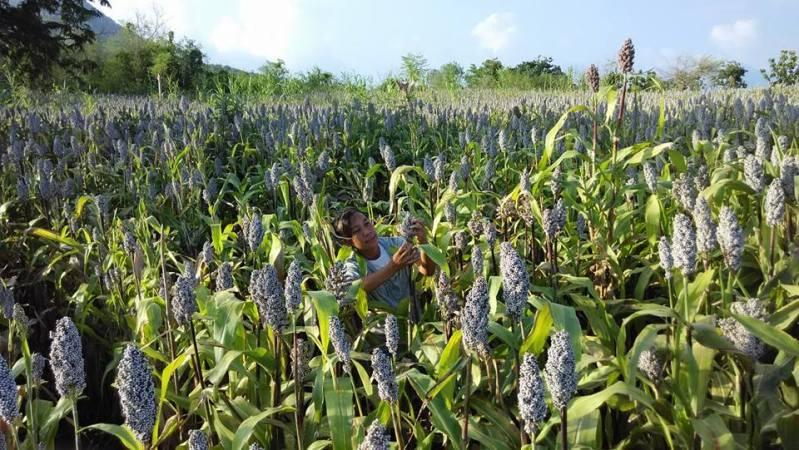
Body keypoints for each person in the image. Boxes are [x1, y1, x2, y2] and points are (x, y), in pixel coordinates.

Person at [333, 208, 437, 310]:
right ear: (348, 242)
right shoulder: (353, 264)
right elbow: (353, 290)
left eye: (366, 223)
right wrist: (393, 266)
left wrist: (423, 242)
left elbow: (428, 271)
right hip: (383, 325)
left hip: (413, 320)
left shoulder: (395, 244)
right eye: (357, 231)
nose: (366, 232)